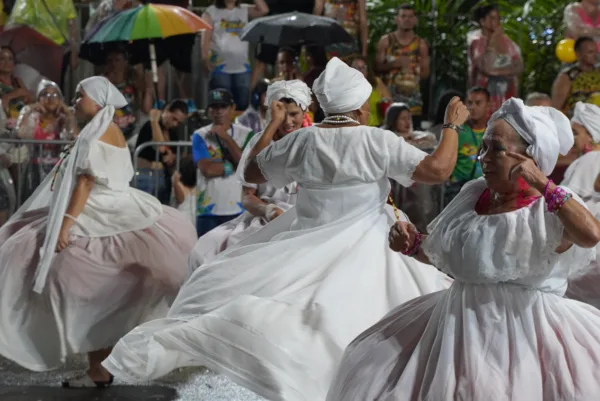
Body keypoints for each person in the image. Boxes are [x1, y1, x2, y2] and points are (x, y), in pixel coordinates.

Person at [102, 57, 467, 400]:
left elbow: (251, 173)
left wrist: (274, 128)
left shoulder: (301, 141)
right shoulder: (375, 140)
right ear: (360, 106)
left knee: (299, 311)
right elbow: (438, 170)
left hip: (304, 240)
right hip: (370, 241)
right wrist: (451, 125)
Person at [327, 97, 600, 401]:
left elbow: (590, 235)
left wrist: (542, 183)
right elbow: (441, 250)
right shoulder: (474, 194)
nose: (483, 158)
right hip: (457, 326)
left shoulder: (549, 208)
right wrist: (412, 243)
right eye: (483, 147)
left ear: (530, 158)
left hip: (528, 336)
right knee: (372, 364)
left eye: (495, 149)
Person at [0, 76, 196, 388]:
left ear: (97, 101)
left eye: (80, 97)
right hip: (112, 207)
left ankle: (95, 362)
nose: (74, 102)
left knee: (79, 282)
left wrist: (65, 224)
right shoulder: (101, 128)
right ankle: (99, 365)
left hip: (103, 212)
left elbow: (87, 181)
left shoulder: (100, 129)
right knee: (93, 289)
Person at [188, 80, 310, 269]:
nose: (287, 121)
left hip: (306, 221)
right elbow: (247, 195)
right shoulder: (259, 141)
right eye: (281, 115)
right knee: (205, 250)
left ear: (305, 112)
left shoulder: (315, 140)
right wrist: (269, 211)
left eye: (294, 114)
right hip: (266, 219)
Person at [192, 88, 254, 237]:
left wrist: (225, 137)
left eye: (223, 107)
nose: (218, 111)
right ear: (208, 111)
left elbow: (246, 164)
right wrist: (234, 165)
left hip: (238, 209)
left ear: (232, 109)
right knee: (206, 257)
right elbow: (207, 169)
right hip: (208, 210)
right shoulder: (199, 135)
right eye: (214, 107)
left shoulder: (246, 133)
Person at [561, 102, 600, 308]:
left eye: (576, 133)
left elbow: (567, 200)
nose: (572, 140)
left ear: (592, 135)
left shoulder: (589, 160)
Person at [15, 80, 78, 202]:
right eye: (46, 95)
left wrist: (69, 115)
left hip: (59, 169)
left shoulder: (64, 118)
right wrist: (30, 109)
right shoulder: (32, 116)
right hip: (34, 169)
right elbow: (20, 134)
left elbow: (75, 137)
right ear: (39, 98)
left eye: (55, 95)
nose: (51, 99)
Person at [202, 0, 269, 110]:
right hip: (220, 68)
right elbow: (205, 38)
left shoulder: (243, 9)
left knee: (242, 105)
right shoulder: (211, 11)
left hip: (242, 68)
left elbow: (264, 10)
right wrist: (205, 58)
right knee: (221, 106)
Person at [383, 102, 438, 232]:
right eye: (402, 118)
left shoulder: (418, 137)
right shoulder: (385, 138)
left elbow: (431, 140)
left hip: (416, 191)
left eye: (409, 118)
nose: (407, 122)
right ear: (393, 120)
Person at [376, 4, 430, 128]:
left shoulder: (421, 45)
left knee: (413, 136)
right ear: (397, 19)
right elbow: (376, 68)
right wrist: (394, 64)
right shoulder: (386, 41)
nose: (407, 19)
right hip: (390, 99)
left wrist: (411, 71)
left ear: (415, 20)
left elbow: (426, 73)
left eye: (410, 16)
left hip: (413, 102)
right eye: (403, 16)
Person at [468, 4, 523, 114]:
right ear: (482, 21)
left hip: (507, 99)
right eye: (492, 18)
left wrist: (496, 72)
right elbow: (486, 68)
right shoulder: (476, 42)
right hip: (483, 103)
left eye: (498, 18)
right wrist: (493, 41)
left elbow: (520, 67)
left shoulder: (509, 43)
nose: (496, 22)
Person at [133, 99, 188, 204]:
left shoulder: (173, 133)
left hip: (164, 179)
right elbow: (160, 147)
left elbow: (174, 157)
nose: (175, 124)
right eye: (173, 119)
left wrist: (173, 157)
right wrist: (154, 121)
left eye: (178, 122)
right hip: (147, 178)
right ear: (166, 110)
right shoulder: (150, 126)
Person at [444, 86, 490, 206]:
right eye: (469, 103)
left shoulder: (494, 132)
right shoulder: (455, 130)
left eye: (478, 103)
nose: (472, 107)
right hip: (457, 190)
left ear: (488, 106)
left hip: (484, 189)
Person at [103, 48, 149, 144]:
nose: (113, 64)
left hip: (132, 132)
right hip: (109, 131)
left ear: (125, 62)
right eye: (110, 61)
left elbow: (143, 107)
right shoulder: (102, 82)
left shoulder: (134, 81)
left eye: (117, 60)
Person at [552, 36, 600, 117]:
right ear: (578, 54)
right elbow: (556, 108)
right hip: (577, 124)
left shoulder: (598, 72)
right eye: (590, 52)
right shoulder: (566, 77)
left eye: (596, 51)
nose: (595, 55)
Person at [350, 56, 392, 127]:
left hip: (380, 126)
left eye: (364, 67)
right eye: (358, 68)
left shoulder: (376, 82)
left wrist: (385, 103)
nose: (361, 70)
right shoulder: (348, 88)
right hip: (360, 128)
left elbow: (390, 103)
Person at [171, 156, 198, 229]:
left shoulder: (198, 185)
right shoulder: (178, 184)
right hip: (182, 221)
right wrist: (175, 183)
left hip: (192, 221)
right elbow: (180, 200)